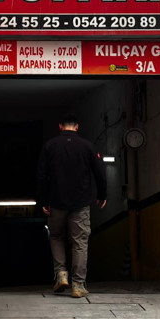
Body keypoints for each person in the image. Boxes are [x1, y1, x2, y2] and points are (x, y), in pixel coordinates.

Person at [37, 113, 107, 298]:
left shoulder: (50, 146)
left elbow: (42, 175)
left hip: (56, 201)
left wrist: (43, 200)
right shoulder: (87, 146)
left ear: (60, 126)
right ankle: (78, 284)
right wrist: (102, 195)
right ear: (77, 127)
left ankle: (61, 275)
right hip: (81, 203)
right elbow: (99, 172)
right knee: (80, 242)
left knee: (56, 236)